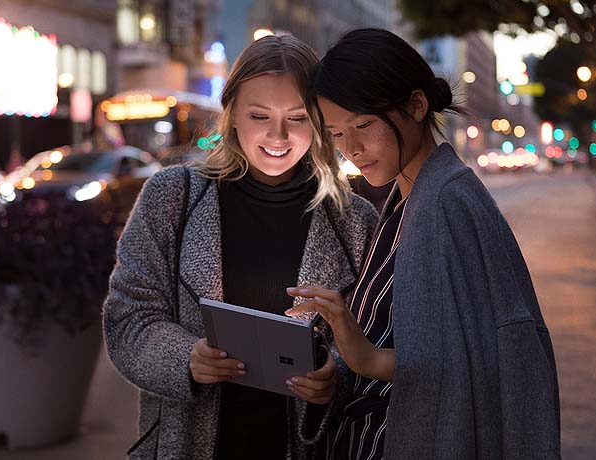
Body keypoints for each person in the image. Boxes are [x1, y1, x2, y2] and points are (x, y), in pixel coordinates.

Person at [286, 28, 561, 460]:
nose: (353, 148)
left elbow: (480, 357)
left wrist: (366, 359)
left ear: (416, 105)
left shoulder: (447, 200)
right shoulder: (408, 196)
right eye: (337, 135)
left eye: (363, 125)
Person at [103, 34, 378, 460]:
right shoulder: (172, 196)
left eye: (298, 117)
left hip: (309, 446)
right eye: (259, 115)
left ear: (321, 121)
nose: (278, 134)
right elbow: (127, 318)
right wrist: (185, 358)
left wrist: (335, 377)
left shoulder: (354, 220)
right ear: (231, 115)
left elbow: (380, 342)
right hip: (190, 442)